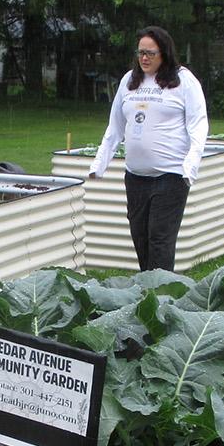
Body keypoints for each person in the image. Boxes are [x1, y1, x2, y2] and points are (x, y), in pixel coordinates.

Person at [87, 26, 209, 271]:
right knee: (140, 237)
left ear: (164, 53)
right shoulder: (130, 81)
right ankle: (148, 293)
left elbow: (199, 124)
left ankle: (164, 297)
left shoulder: (183, 80)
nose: (144, 58)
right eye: (141, 52)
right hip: (135, 177)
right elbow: (115, 127)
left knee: (160, 239)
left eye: (150, 53)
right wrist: (98, 165)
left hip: (171, 175)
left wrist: (190, 166)